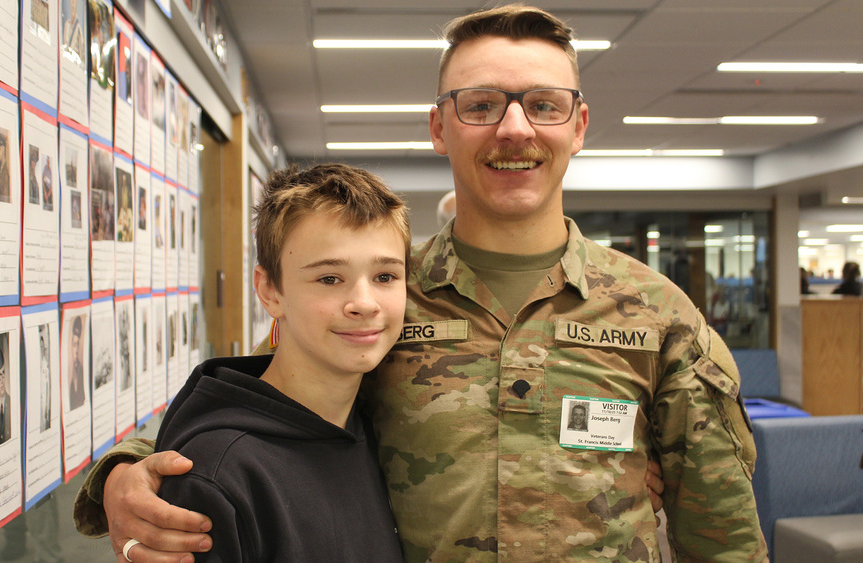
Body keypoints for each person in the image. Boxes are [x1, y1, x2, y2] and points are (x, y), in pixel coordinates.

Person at [75, 5, 766, 561]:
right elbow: (265, 401)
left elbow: (725, 538)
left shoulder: (656, 314)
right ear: (439, 127)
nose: (514, 128)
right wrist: (127, 471)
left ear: (578, 125)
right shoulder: (382, 297)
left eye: (544, 104)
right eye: (481, 104)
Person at [148, 163, 408, 562]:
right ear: (270, 291)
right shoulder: (218, 474)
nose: (364, 303)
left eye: (385, 277)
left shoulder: (380, 433)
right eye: (329, 278)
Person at [68, 316, 86, 411]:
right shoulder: (71, 373)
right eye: (74, 345)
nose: (76, 350)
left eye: (78, 344)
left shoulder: (81, 370)